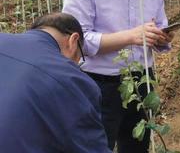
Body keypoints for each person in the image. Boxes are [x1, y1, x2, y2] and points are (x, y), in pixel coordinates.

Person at [62, 0, 175, 152]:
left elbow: (159, 26)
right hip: (98, 85)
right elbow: (76, 42)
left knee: (137, 146)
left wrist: (162, 38)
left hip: (142, 80)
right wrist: (132, 36)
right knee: (95, 147)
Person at [0, 13, 110, 153]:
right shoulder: (70, 79)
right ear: (73, 41)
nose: (77, 63)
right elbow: (91, 147)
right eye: (80, 56)